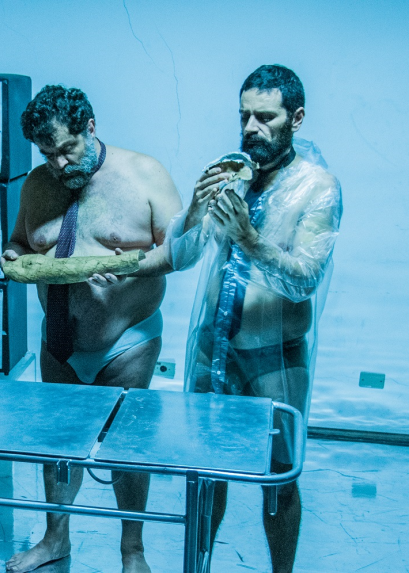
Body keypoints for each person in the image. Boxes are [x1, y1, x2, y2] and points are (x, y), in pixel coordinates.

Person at [166, 64, 342, 572]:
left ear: (297, 118)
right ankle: (196, 567)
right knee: (204, 474)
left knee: (278, 480)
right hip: (210, 348)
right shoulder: (230, 174)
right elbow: (183, 255)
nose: (250, 127)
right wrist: (195, 207)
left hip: (274, 358)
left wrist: (249, 239)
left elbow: (305, 279)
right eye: (244, 115)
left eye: (265, 117)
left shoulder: (317, 188)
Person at [2, 85, 182, 573]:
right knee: (58, 443)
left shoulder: (144, 173)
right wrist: (14, 258)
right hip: (58, 339)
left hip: (126, 339)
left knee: (127, 447)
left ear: (91, 127)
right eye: (48, 154)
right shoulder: (37, 184)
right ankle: (55, 539)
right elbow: (20, 241)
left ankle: (132, 551)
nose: (59, 163)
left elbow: (179, 251)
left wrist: (126, 266)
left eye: (68, 148)